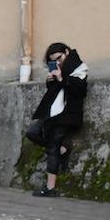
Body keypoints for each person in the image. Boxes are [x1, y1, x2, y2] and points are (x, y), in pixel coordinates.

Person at [27, 42, 88, 197]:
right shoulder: (61, 69)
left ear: (67, 52)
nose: (58, 62)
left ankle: (50, 188)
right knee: (32, 132)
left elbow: (79, 91)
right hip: (52, 113)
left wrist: (62, 78)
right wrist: (51, 80)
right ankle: (63, 149)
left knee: (52, 146)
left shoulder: (79, 68)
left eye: (59, 58)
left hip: (67, 114)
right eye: (54, 60)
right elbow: (55, 92)